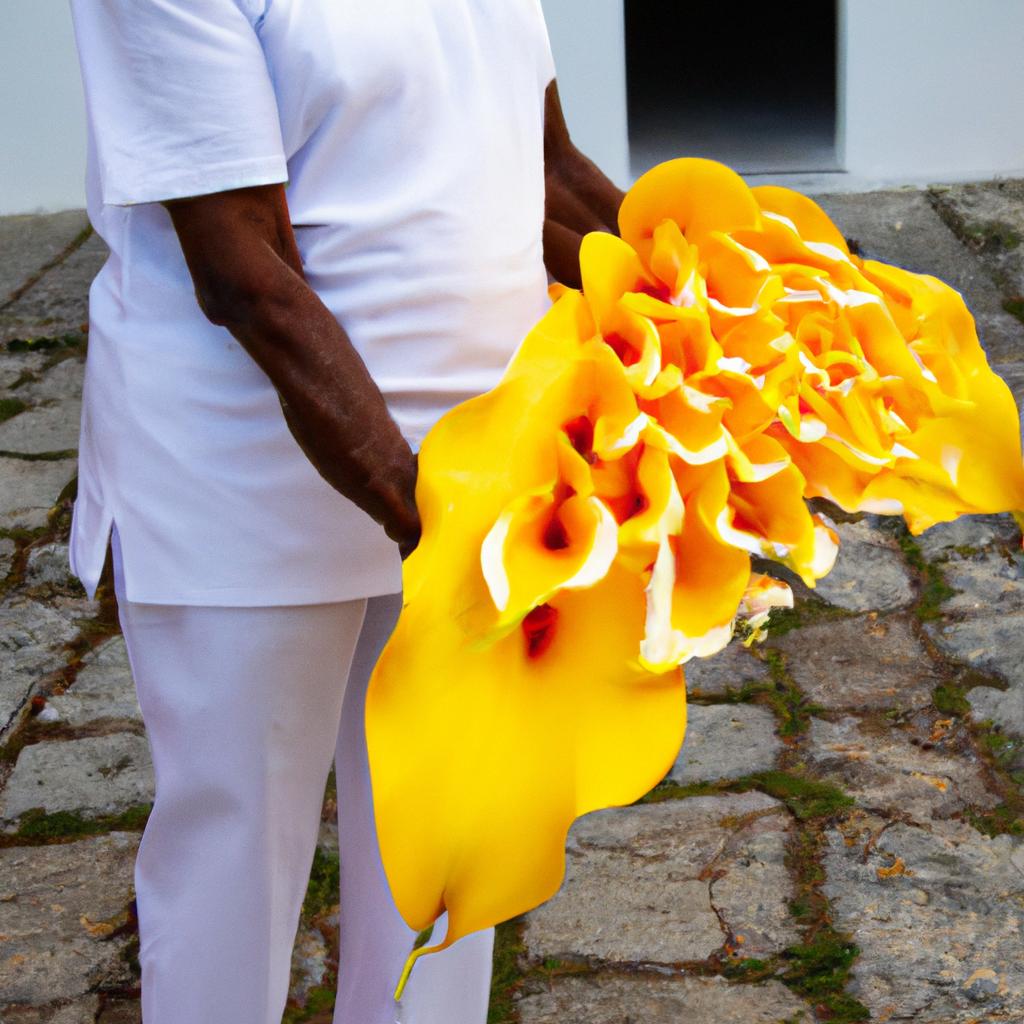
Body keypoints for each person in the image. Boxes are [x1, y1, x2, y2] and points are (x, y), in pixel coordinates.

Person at [67, 2, 624, 1022]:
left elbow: (538, 169)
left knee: (447, 863)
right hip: (247, 491)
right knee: (233, 864)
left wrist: (718, 306)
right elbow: (246, 271)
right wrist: (430, 513)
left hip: (484, 469)